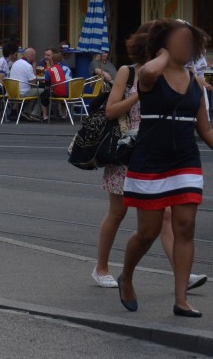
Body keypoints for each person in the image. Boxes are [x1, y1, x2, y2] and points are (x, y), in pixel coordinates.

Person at [93, 22, 207, 291]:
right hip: (128, 150)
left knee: (167, 217)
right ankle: (101, 267)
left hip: (160, 150)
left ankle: (180, 272)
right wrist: (138, 97)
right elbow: (111, 111)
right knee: (118, 213)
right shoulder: (129, 73)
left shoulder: (176, 74)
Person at [118, 19, 213, 317]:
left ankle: (181, 299)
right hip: (150, 160)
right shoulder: (150, 77)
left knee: (185, 228)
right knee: (148, 232)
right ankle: (127, 276)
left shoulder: (196, 84)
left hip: (185, 161)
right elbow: (147, 71)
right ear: (164, 44)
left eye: (190, 43)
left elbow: (206, 131)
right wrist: (160, 54)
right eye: (180, 42)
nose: (186, 47)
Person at [9, 46, 44, 120]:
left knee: (33, 91)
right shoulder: (27, 66)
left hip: (12, 92)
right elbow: (33, 82)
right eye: (34, 56)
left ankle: (26, 112)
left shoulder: (16, 63)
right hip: (22, 93)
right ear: (31, 56)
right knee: (44, 92)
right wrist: (34, 66)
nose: (35, 58)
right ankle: (35, 114)